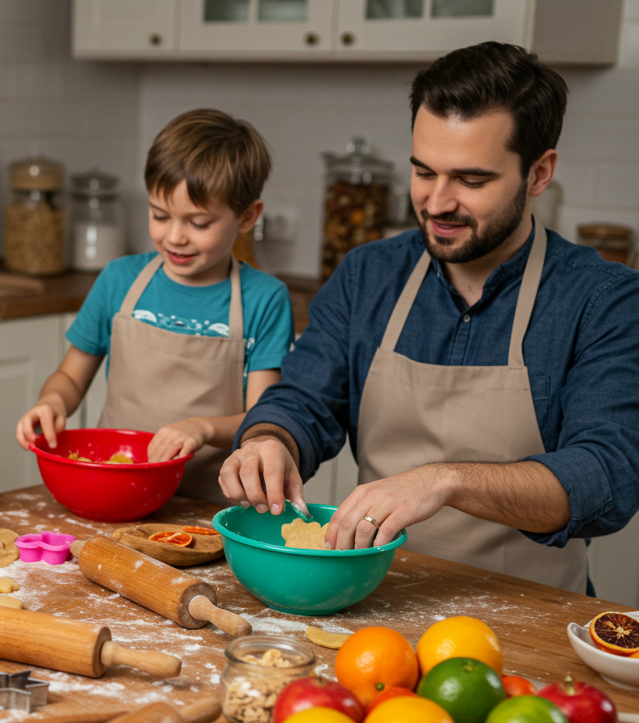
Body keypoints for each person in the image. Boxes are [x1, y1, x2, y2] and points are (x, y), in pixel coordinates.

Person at [220, 42, 639, 594]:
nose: (437, 203)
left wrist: (445, 481)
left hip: (530, 611)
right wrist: (270, 440)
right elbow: (304, 400)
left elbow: (607, 475)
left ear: (539, 173)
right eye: (423, 171)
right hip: (376, 601)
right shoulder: (368, 274)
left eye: (471, 180)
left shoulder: (602, 299)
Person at [16, 109, 294, 502]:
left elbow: (261, 420)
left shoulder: (264, 298)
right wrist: (52, 401)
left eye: (199, 223)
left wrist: (201, 428)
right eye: (160, 215)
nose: (175, 237)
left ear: (248, 216)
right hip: (117, 493)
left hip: (208, 506)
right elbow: (71, 377)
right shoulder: (119, 280)